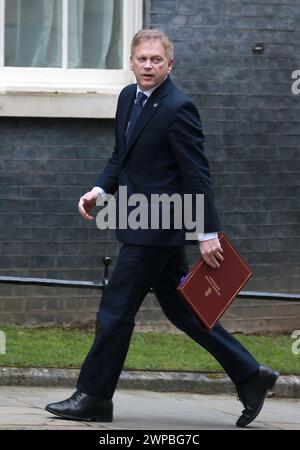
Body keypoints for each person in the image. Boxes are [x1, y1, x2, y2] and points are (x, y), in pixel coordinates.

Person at [46, 29, 278, 428]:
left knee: (115, 310)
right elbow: (122, 154)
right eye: (142, 59)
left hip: (156, 229)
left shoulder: (178, 107)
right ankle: (251, 375)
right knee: (185, 312)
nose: (148, 66)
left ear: (170, 64)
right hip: (142, 222)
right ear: (131, 62)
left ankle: (94, 397)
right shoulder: (126, 98)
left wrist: (208, 234)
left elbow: (197, 175)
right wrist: (100, 189)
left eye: (156, 59)